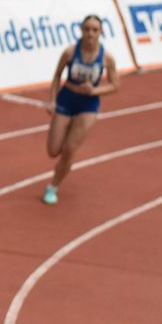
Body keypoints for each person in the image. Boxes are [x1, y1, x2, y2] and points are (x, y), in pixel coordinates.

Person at [42, 14, 119, 205]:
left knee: (69, 150)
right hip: (67, 99)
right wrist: (51, 100)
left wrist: (95, 90)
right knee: (53, 150)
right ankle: (65, 130)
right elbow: (57, 76)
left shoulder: (107, 58)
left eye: (94, 30)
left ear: (100, 32)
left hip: (88, 105)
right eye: (87, 29)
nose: (90, 34)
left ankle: (53, 186)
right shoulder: (69, 52)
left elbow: (115, 85)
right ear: (81, 31)